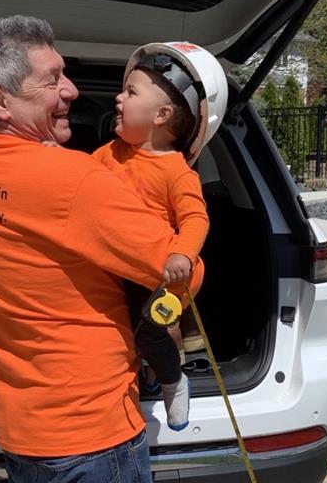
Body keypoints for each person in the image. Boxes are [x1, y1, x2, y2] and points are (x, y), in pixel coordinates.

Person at [0, 16, 201, 483]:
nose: (73, 90)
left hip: (22, 428)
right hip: (92, 435)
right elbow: (181, 273)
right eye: (53, 79)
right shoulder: (75, 179)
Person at [92, 42, 228, 431]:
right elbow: (76, 179)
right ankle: (146, 374)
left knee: (151, 333)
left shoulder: (176, 172)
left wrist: (181, 256)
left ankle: (173, 382)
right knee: (120, 332)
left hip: (163, 273)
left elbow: (196, 219)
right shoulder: (109, 154)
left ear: (162, 115)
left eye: (130, 92)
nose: (118, 98)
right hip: (120, 267)